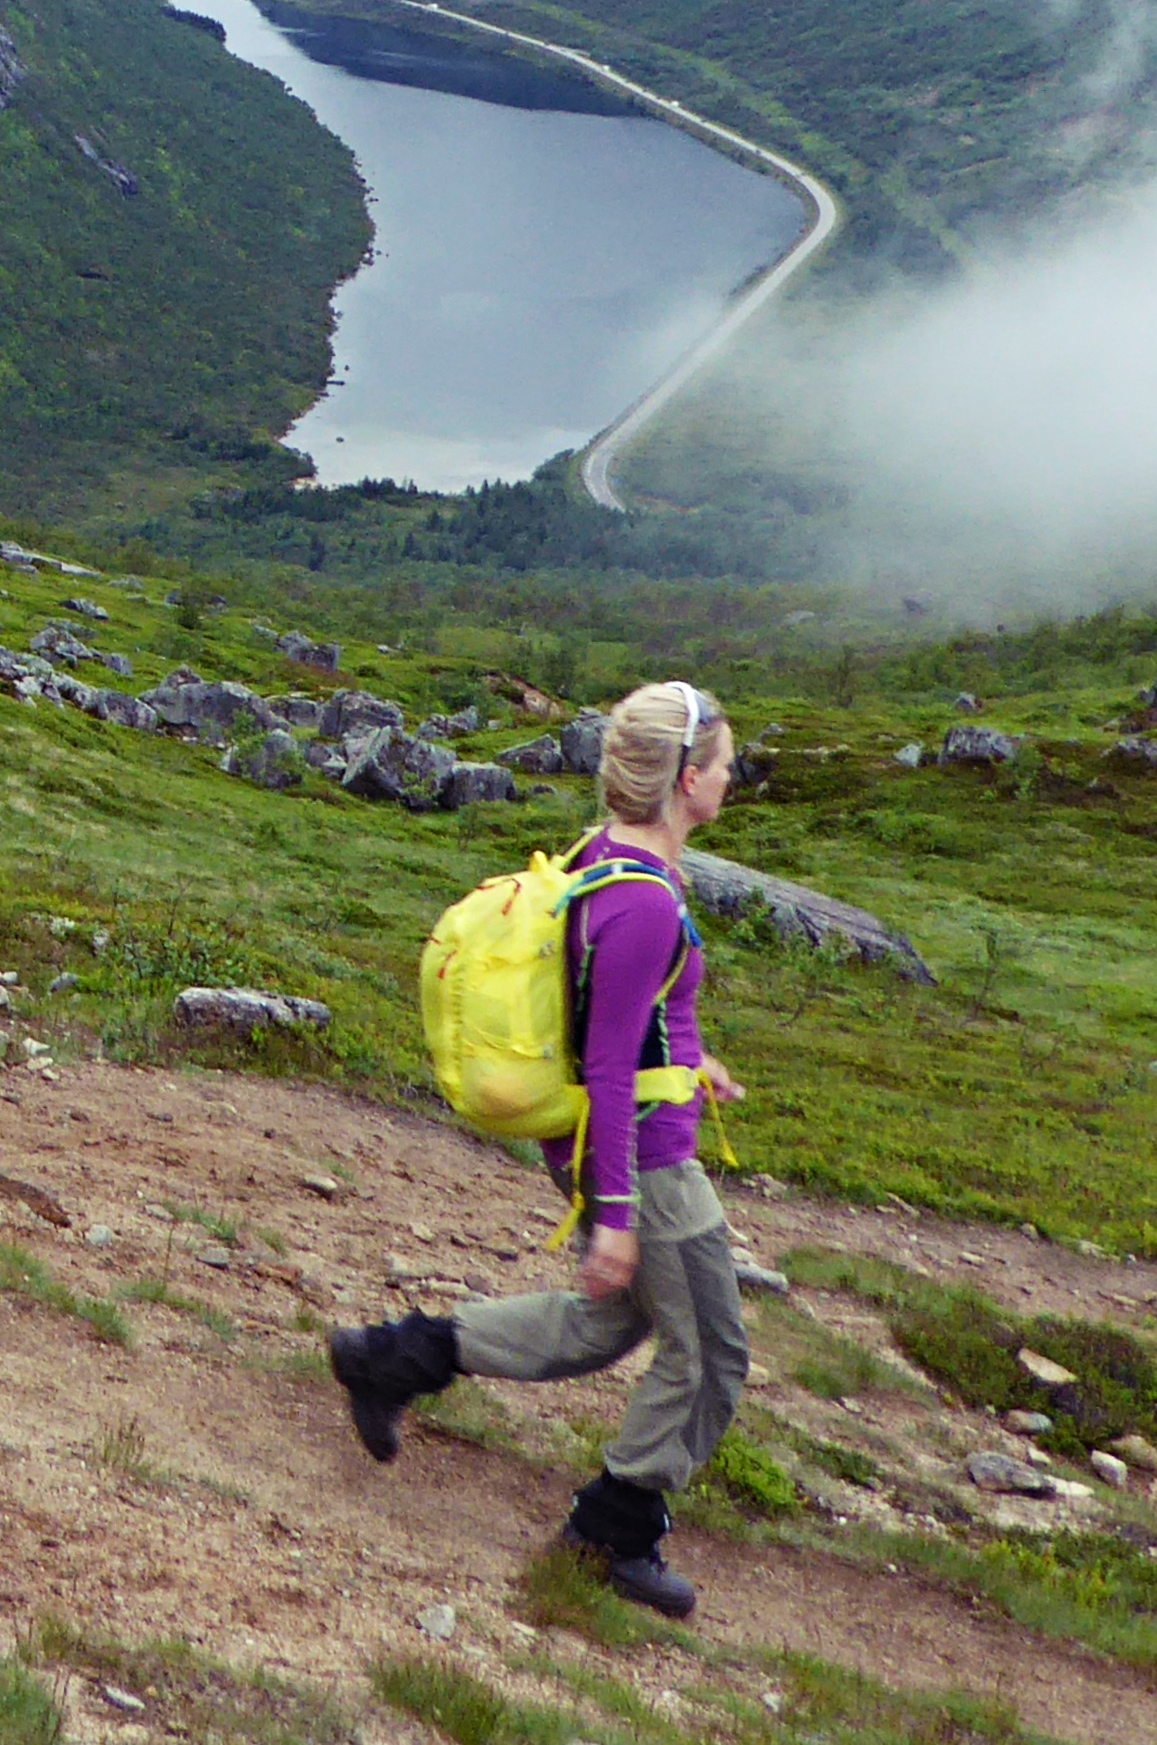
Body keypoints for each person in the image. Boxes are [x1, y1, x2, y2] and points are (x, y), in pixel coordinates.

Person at [324, 680, 752, 1618]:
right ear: (686, 779)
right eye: (723, 764)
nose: (731, 777)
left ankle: (393, 1358)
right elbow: (604, 1058)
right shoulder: (644, 900)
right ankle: (611, 1532)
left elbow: (619, 1017)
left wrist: (691, 1058)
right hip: (642, 1156)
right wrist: (616, 1216)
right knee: (711, 1352)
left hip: (627, 1129)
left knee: (610, 1327)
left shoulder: (611, 857)